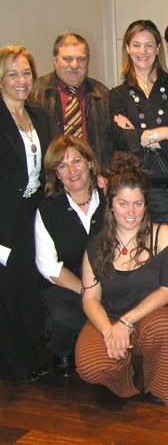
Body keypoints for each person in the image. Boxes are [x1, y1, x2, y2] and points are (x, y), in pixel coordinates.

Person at [75, 152, 168, 407]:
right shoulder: (96, 245)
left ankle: (159, 386)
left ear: (146, 204)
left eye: (138, 203)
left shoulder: (164, 235)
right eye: (123, 204)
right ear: (110, 204)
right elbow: (90, 299)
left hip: (147, 319)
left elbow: (167, 291)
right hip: (109, 320)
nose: (131, 212)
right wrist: (109, 330)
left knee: (166, 326)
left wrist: (126, 321)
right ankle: (124, 376)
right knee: (89, 367)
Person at [110, 19, 168, 228]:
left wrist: (138, 136)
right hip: (136, 188)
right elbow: (121, 140)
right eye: (136, 45)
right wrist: (166, 132)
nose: (142, 51)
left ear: (158, 48)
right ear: (127, 48)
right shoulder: (117, 95)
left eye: (149, 45)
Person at [35, 135, 105, 377]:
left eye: (77, 161)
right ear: (55, 173)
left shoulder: (110, 198)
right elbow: (48, 266)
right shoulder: (47, 208)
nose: (72, 170)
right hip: (67, 285)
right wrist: (87, 291)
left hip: (106, 280)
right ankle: (62, 350)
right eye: (63, 166)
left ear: (90, 163)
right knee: (67, 316)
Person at [0, 46, 50, 382]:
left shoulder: (39, 116)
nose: (21, 80)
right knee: (6, 292)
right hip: (3, 218)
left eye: (26, 73)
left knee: (29, 288)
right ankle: (12, 365)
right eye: (12, 73)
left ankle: (34, 357)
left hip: (33, 212)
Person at [35, 33, 113, 170]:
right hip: (50, 185)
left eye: (81, 59)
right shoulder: (35, 95)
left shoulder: (103, 95)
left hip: (94, 181)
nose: (75, 65)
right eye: (67, 59)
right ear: (54, 59)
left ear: (88, 60)